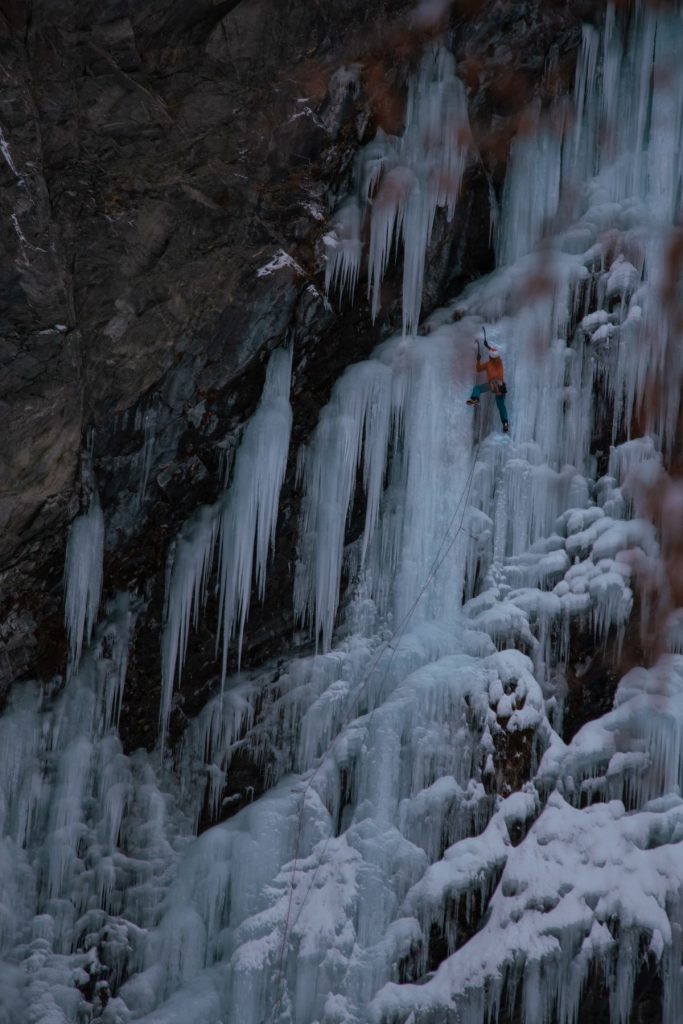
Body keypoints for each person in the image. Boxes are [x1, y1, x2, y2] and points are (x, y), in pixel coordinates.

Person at [466, 335, 509, 433]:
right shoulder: (499, 362)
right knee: (501, 405)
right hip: (501, 386)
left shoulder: (488, 364)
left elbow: (478, 369)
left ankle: (475, 399)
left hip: (492, 385)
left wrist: (478, 359)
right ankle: (505, 423)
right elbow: (495, 353)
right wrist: (487, 346)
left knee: (477, 388)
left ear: (490, 357)